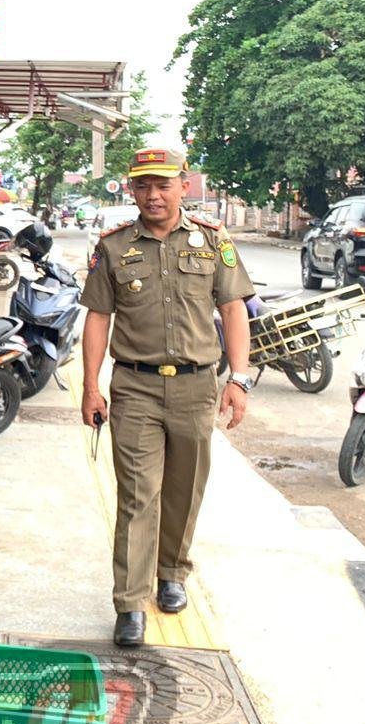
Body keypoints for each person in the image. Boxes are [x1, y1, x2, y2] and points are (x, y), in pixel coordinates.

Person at [79, 146, 254, 648]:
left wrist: (238, 379)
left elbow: (234, 309)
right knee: (137, 495)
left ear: (183, 184)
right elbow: (97, 317)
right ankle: (130, 603)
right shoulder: (112, 247)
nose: (153, 195)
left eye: (162, 184)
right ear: (130, 189)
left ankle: (172, 572)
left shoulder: (213, 241)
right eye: (142, 186)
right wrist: (91, 386)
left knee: (185, 487)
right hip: (134, 387)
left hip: (198, 386)